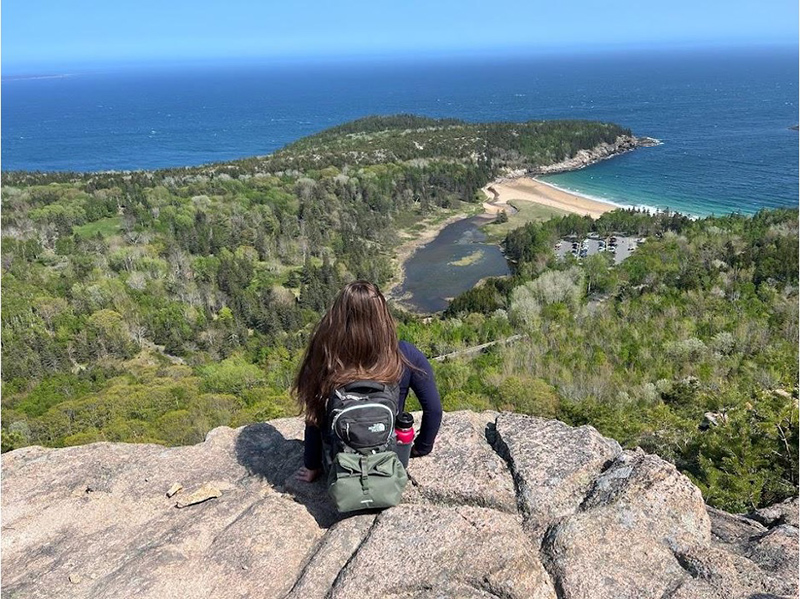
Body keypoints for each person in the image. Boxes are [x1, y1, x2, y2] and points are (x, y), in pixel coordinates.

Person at [293, 280, 443, 483]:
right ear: (383, 317)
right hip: (386, 456)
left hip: (340, 461)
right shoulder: (405, 354)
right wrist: (420, 448)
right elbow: (433, 409)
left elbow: (315, 414)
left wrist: (312, 465)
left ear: (338, 317)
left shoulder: (326, 355)